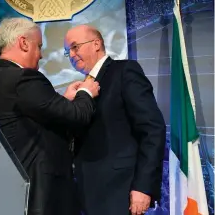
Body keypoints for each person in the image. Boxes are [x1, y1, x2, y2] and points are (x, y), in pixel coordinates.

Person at [0, 17, 100, 215]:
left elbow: (32, 117)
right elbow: (78, 115)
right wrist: (86, 92)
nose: (41, 55)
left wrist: (62, 100)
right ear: (24, 43)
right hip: (40, 195)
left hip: (10, 194)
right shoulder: (23, 78)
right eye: (39, 46)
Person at [64, 24, 166, 215]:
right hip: (86, 194)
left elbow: (152, 129)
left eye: (75, 47)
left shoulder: (125, 71)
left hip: (121, 192)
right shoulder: (79, 90)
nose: (71, 55)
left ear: (96, 44)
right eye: (67, 51)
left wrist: (143, 186)